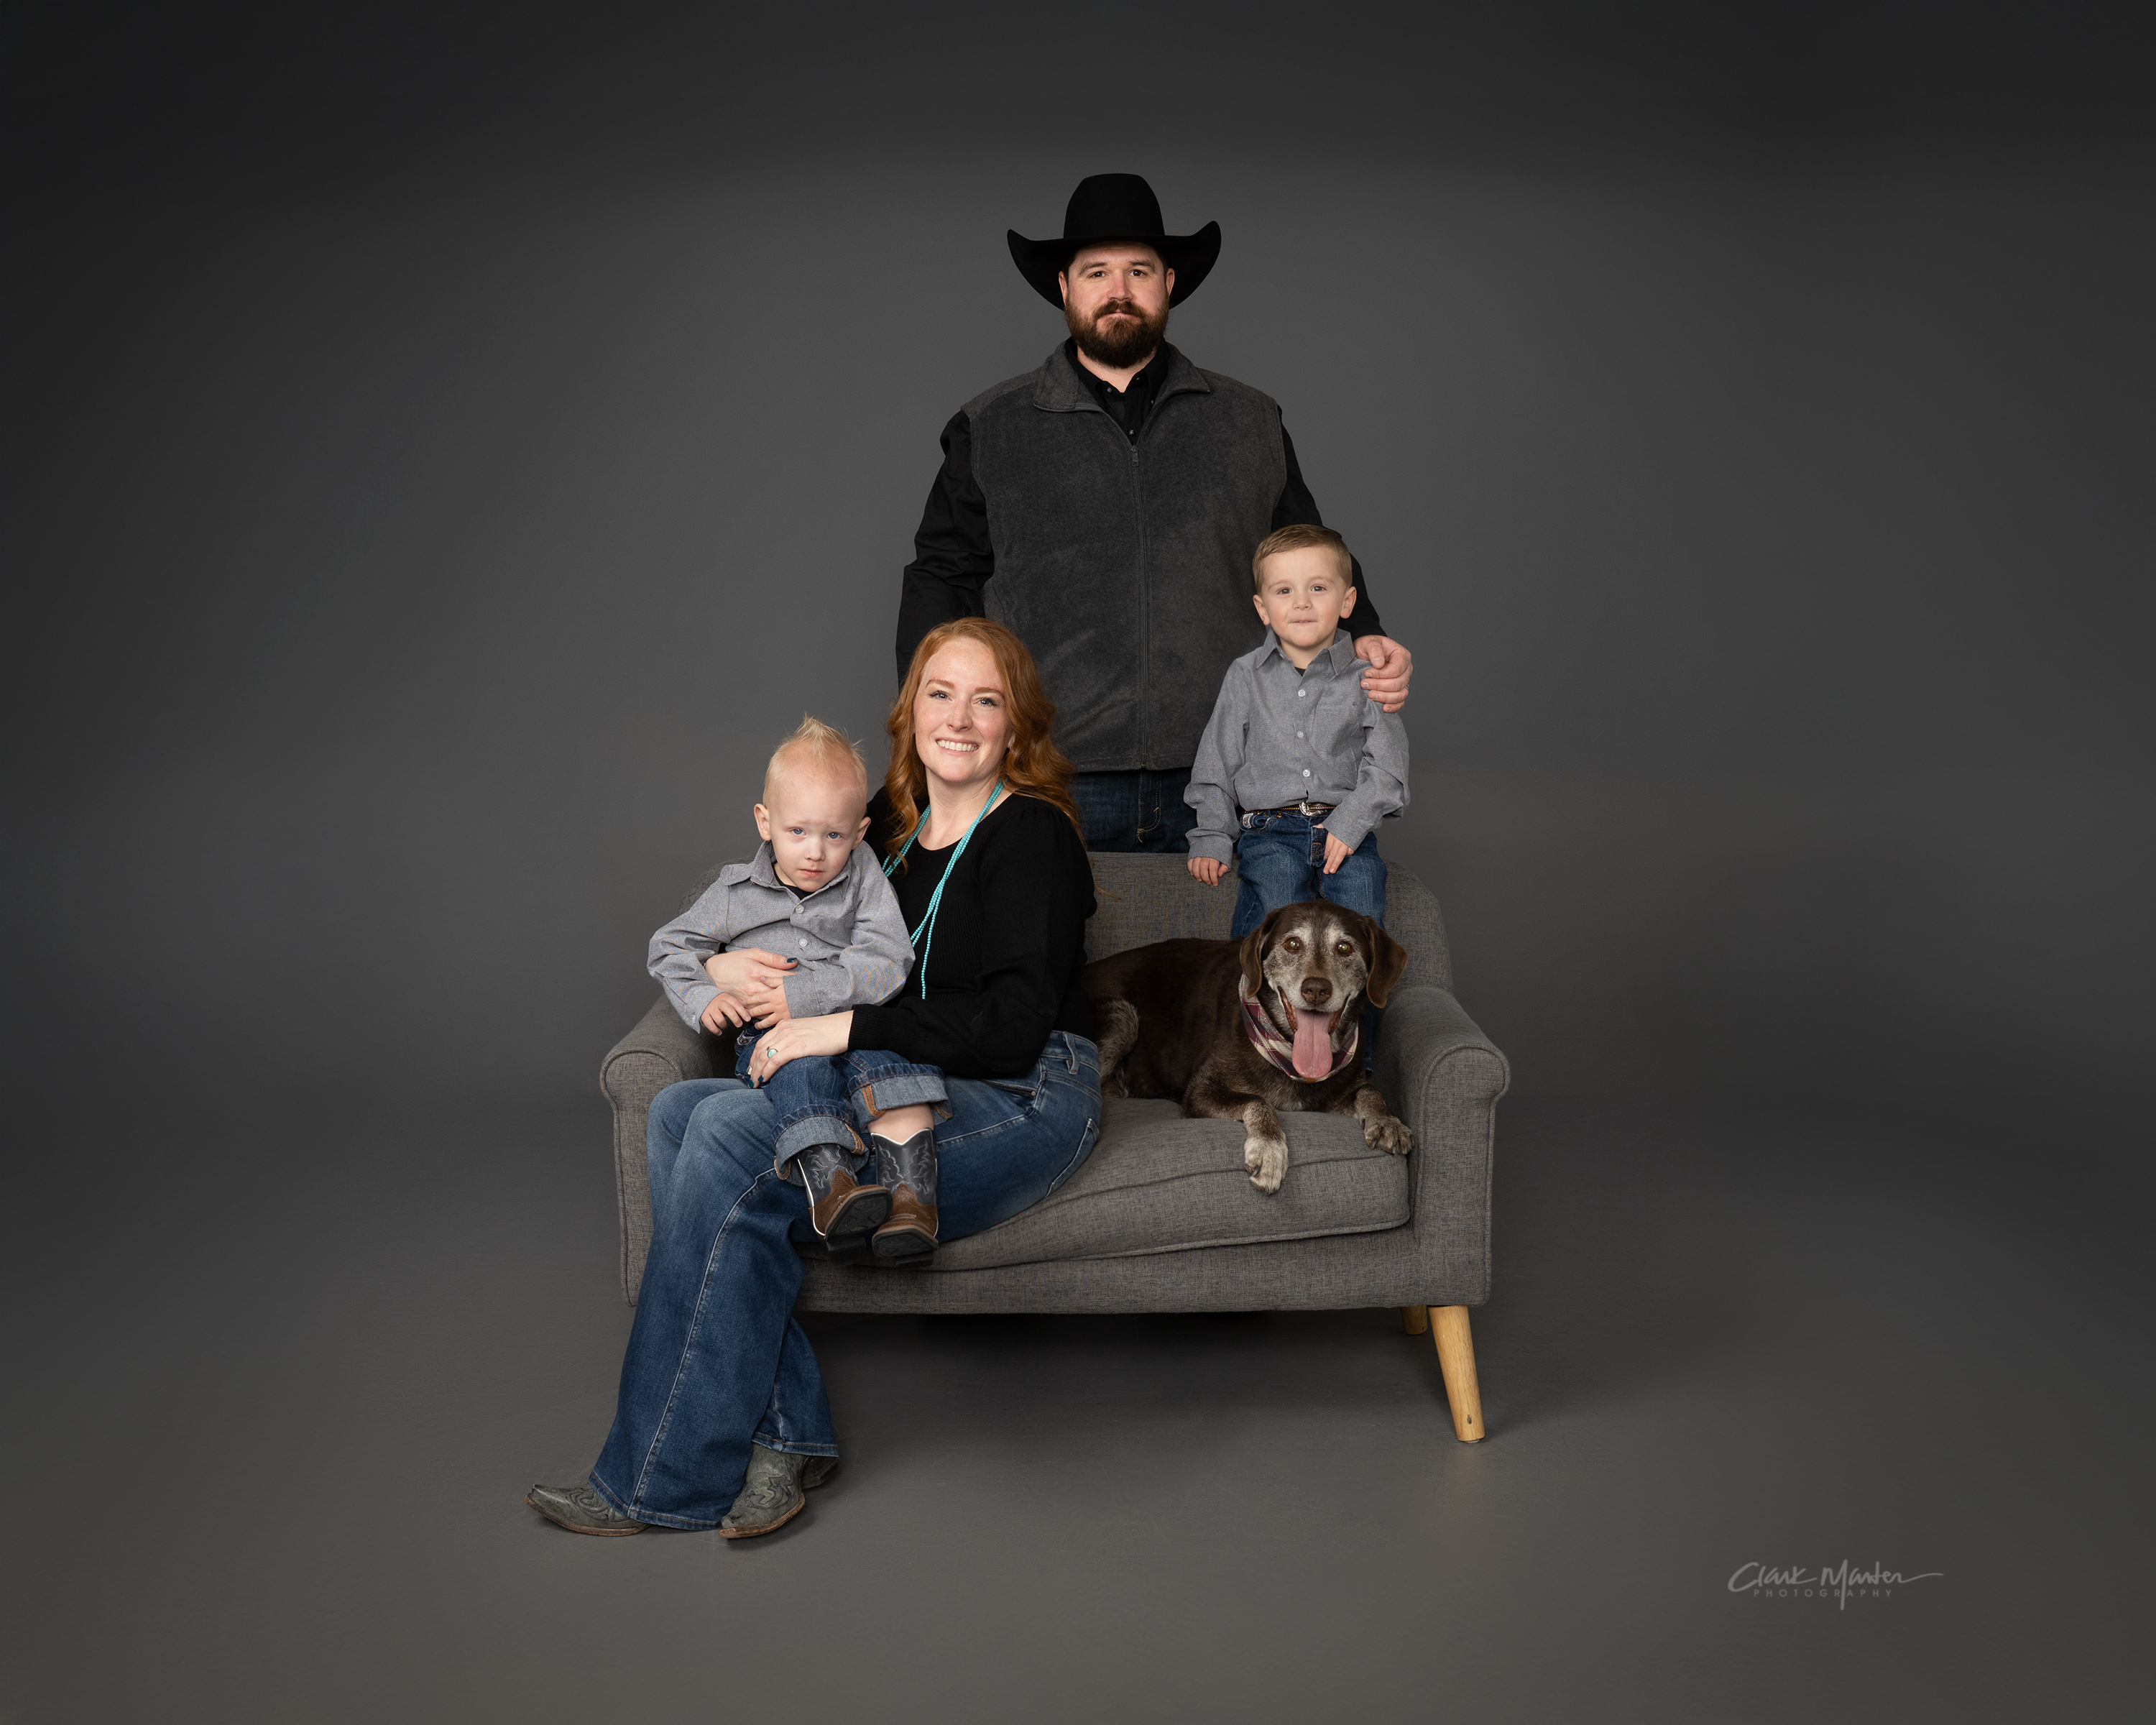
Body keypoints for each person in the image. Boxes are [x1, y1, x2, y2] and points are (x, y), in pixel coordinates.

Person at [527, 618, 1100, 1540]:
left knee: (722, 1138)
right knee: (677, 1113)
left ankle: (658, 1481)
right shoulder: (889, 833)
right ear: (910, 712)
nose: (959, 717)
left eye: (986, 699)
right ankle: (789, 1435)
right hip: (890, 1078)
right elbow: (767, 911)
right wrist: (716, 970)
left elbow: (1011, 1028)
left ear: (1016, 723)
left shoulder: (1034, 835)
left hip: (1026, 1092)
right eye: (939, 694)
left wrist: (834, 1023)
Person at [895, 172, 1416, 854]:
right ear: (1064, 288)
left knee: (1221, 962)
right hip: (1047, 772)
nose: (1119, 290)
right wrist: (933, 730)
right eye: (1097, 272)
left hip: (1230, 774)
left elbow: (1306, 548)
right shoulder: (992, 426)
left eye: (1138, 271)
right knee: (1048, 961)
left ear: (1169, 282)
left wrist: (1368, 630)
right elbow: (943, 575)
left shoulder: (1247, 420)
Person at [645, 715, 945, 1263]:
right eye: (798, 832)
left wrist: (809, 998)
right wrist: (707, 997)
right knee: (801, 1071)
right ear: (765, 822)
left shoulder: (862, 877)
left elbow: (890, 960)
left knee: (886, 1055)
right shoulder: (734, 892)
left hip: (851, 1025)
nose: (815, 852)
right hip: (776, 1041)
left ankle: (913, 1202)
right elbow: (669, 948)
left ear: (858, 833)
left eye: (834, 835)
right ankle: (834, 1193)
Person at [1184, 524, 1407, 941]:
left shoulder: (1370, 676)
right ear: (1263, 608)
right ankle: (1259, 1006)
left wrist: (1351, 822)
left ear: (1347, 601)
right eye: (1284, 591)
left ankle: (1357, 1008)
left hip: (1346, 830)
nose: (1301, 603)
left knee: (1361, 911)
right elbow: (1217, 761)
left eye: (1318, 588)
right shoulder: (1245, 675)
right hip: (1269, 832)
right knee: (1278, 902)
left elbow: (1389, 766)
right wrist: (1213, 835)